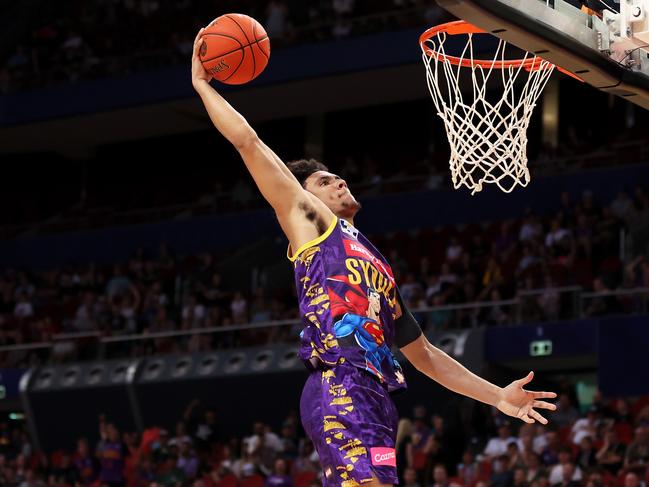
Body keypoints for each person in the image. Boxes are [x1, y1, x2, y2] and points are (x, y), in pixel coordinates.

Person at [191, 28, 557, 487]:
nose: (338, 181)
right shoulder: (312, 226)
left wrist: (497, 396)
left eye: (336, 176)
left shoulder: (374, 260)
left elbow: (423, 354)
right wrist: (203, 86)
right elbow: (249, 143)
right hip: (340, 382)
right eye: (324, 181)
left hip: (377, 393)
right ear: (302, 199)